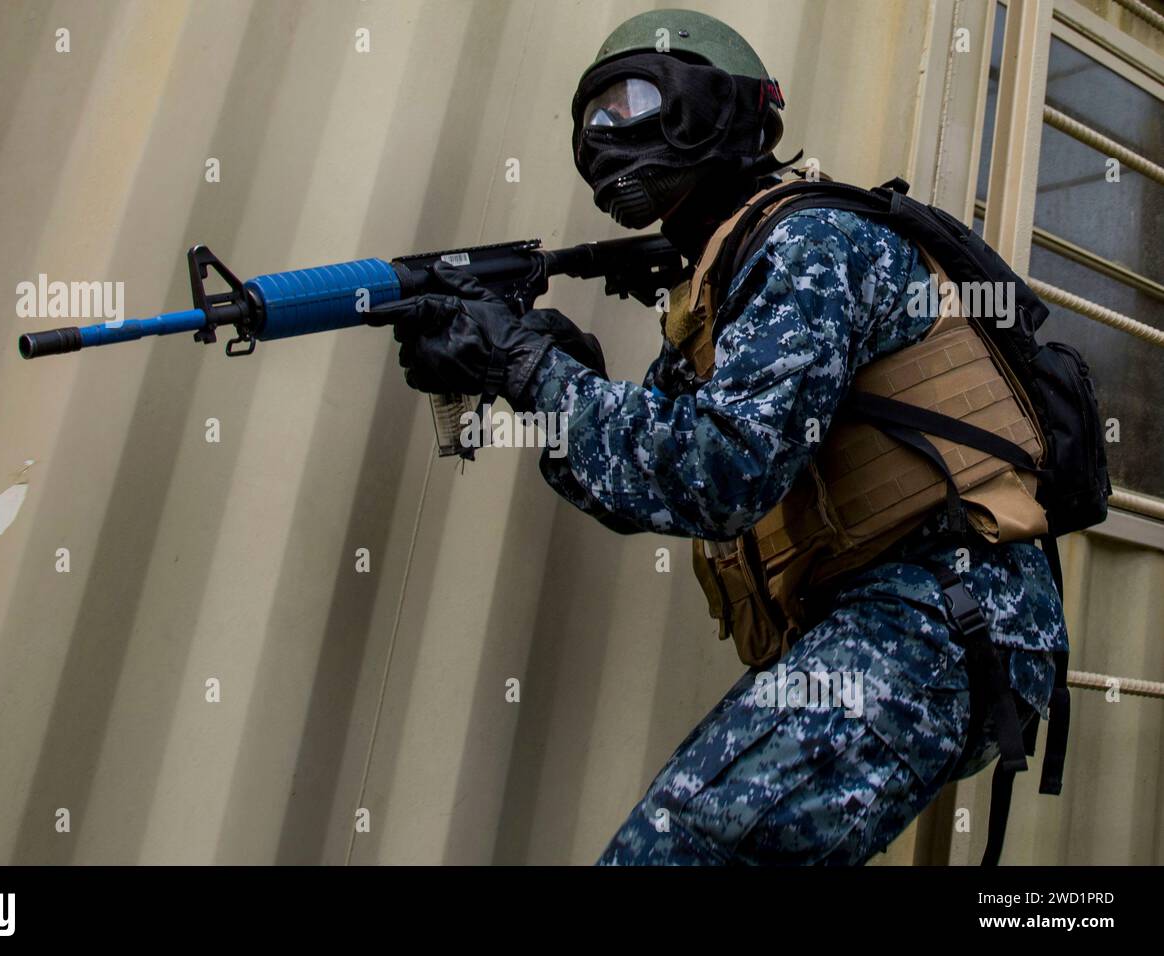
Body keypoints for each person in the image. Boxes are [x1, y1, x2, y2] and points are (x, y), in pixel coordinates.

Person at [371, 8, 1066, 865]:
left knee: (675, 851)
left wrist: (531, 370)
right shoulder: (729, 276)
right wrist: (543, 380)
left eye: (636, 101)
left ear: (718, 110)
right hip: (896, 622)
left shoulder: (807, 241)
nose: (607, 134)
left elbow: (719, 472)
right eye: (593, 116)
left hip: (939, 616)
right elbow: (646, 480)